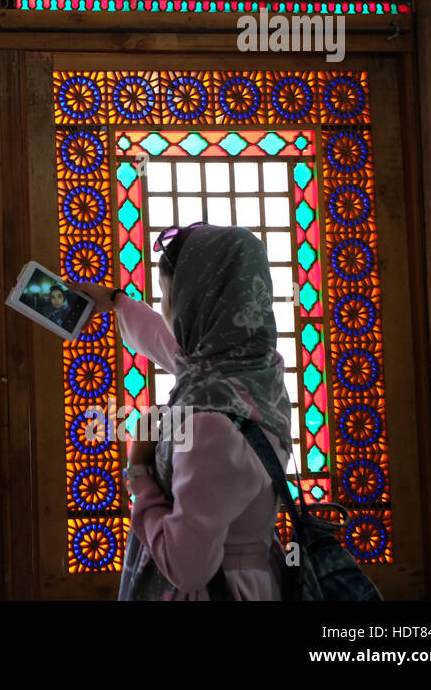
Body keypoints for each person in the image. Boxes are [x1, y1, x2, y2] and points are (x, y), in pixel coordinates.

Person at [70, 223, 293, 601]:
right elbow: (170, 347)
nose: (166, 309)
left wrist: (139, 472)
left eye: (168, 296)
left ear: (197, 303)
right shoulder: (256, 373)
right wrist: (116, 301)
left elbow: (186, 567)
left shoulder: (209, 424)